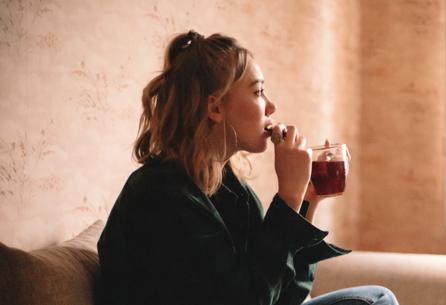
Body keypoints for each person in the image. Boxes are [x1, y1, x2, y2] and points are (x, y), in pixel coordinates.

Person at [97, 30, 398, 305]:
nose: (271, 107)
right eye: (257, 92)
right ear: (215, 108)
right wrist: (287, 199)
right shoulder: (160, 194)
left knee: (376, 298)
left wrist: (304, 202)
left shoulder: (228, 188)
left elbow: (287, 297)